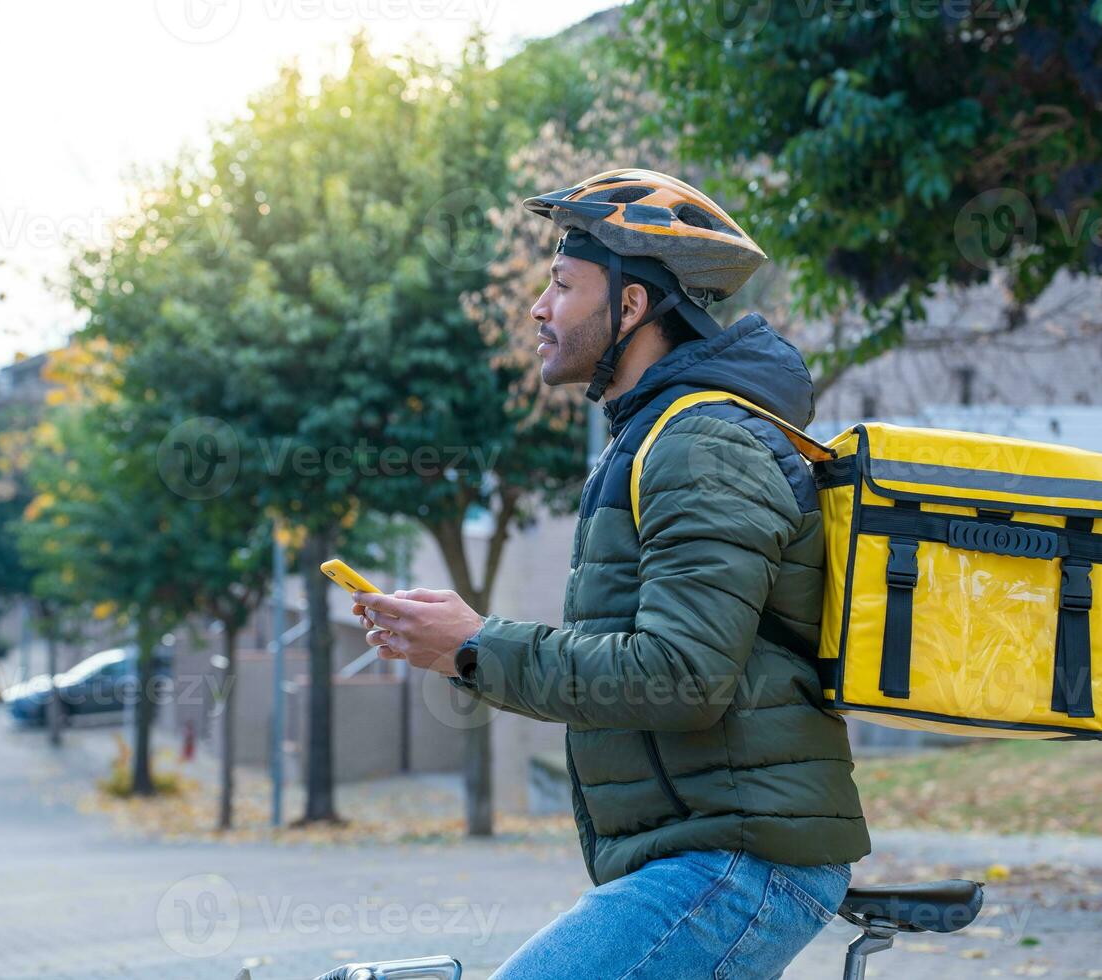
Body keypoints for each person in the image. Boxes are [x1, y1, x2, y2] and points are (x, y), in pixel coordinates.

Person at [352, 169, 870, 978]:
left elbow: (682, 676)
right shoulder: (657, 438)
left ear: (631, 307)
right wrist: (464, 645)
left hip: (739, 862)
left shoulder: (703, 445)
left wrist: (475, 645)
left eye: (562, 285)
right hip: (708, 853)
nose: (537, 308)